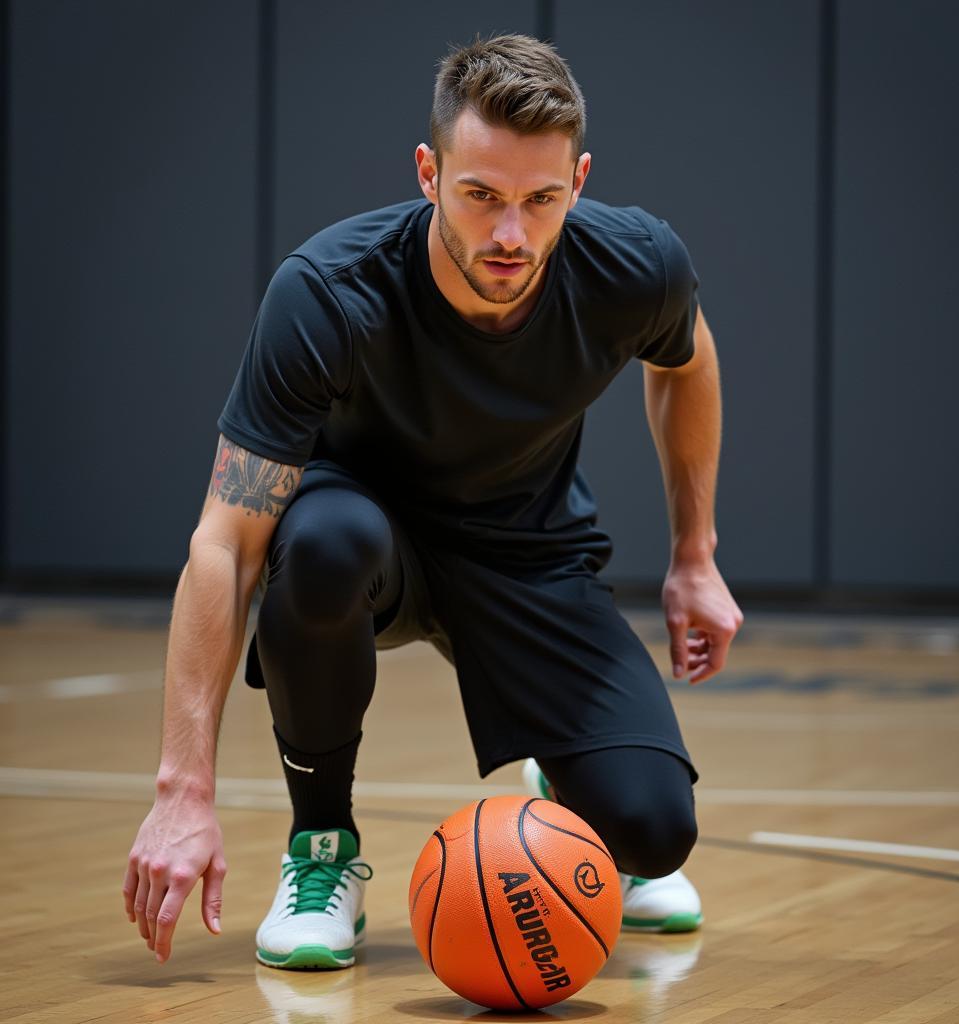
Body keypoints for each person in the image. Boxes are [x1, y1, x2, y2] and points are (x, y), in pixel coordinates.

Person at [123, 33, 743, 970]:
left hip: (529, 550)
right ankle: (322, 848)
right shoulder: (328, 294)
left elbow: (686, 357)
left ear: (579, 179)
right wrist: (182, 788)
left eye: (542, 200)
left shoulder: (633, 264)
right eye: (481, 194)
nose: (511, 234)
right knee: (323, 541)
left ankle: (563, 778)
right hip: (369, 543)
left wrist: (695, 553)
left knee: (655, 832)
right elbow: (225, 544)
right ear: (428, 172)